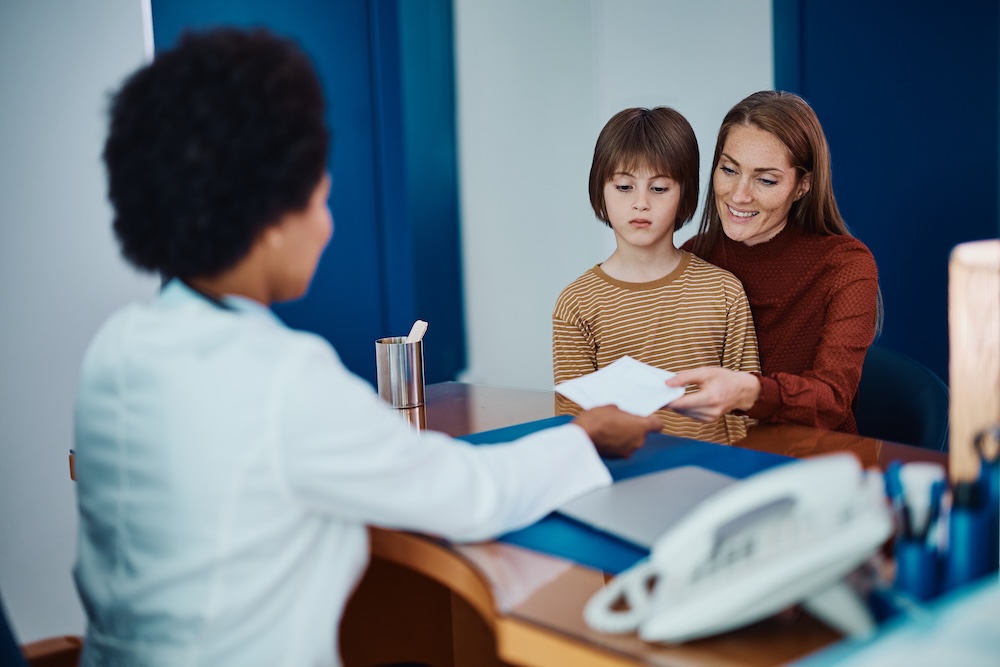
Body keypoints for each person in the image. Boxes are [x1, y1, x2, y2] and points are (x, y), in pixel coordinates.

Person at [73, 28, 661, 667]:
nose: (326, 225)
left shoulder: (116, 347)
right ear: (269, 221)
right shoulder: (282, 381)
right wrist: (587, 437)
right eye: (320, 200)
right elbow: (469, 495)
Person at [668, 90, 880, 434]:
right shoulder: (696, 255)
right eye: (729, 169)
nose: (739, 195)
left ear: (802, 185)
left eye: (765, 180)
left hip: (812, 461)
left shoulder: (845, 265)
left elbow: (832, 399)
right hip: (718, 454)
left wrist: (748, 391)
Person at [553, 107, 760, 444]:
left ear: (685, 196)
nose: (641, 203)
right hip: (623, 479)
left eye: (659, 188)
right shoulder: (576, 303)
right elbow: (574, 425)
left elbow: (745, 415)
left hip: (711, 476)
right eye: (623, 186)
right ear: (600, 193)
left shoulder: (724, 292)